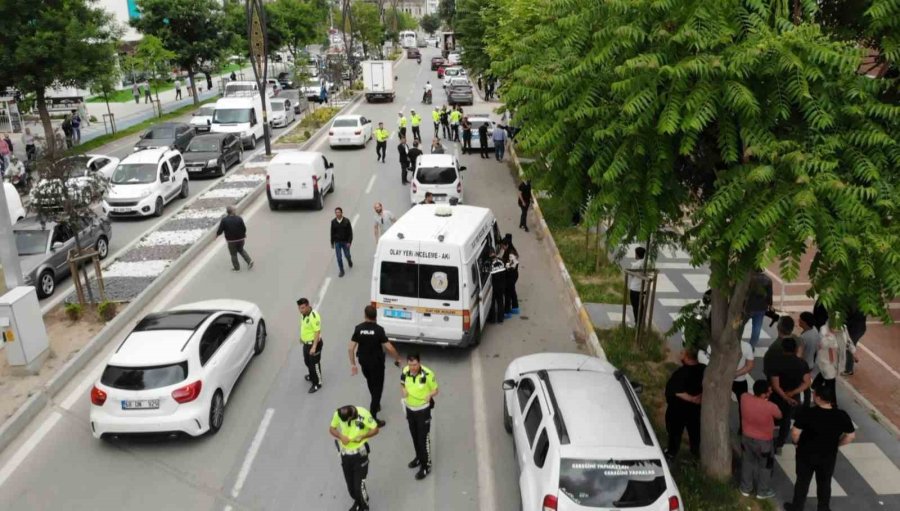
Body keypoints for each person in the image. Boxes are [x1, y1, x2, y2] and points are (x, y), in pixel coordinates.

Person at [784, 383, 855, 511]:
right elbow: (850, 436)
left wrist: (796, 443)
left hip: (806, 454)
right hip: (828, 456)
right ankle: (823, 508)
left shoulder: (807, 413)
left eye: (814, 394)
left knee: (802, 482)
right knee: (824, 483)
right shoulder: (841, 415)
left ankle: (797, 507)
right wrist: (837, 444)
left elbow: (795, 432)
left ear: (818, 398)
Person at [349, 306, 403, 427]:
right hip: (376, 364)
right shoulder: (379, 330)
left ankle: (376, 403)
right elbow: (389, 347)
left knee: (370, 382)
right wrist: (397, 358)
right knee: (378, 389)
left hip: (364, 363)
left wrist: (353, 364)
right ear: (376, 316)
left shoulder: (359, 328)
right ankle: (372, 417)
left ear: (365, 315)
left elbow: (350, 348)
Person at [329, 405, 380, 511]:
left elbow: (375, 429)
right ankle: (358, 501)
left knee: (358, 486)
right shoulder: (338, 414)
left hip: (360, 455)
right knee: (351, 488)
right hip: (345, 455)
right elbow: (332, 429)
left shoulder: (363, 413)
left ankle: (364, 507)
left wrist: (363, 436)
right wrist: (340, 436)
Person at [739, 380, 782, 500]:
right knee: (765, 467)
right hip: (764, 443)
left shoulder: (744, 397)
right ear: (765, 394)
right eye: (769, 390)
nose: (771, 391)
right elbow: (779, 415)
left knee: (747, 462)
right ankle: (762, 491)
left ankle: (745, 488)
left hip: (746, 438)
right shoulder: (770, 407)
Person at [769, 337, 811, 452]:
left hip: (777, 396)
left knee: (770, 417)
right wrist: (792, 393)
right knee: (786, 420)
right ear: (795, 349)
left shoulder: (776, 362)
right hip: (793, 397)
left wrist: (785, 397)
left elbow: (775, 385)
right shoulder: (802, 363)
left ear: (783, 348)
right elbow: (807, 382)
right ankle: (780, 445)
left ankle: (766, 439)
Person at [401, 354, 439, 480]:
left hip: (423, 411)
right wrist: (403, 390)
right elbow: (402, 382)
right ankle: (418, 457)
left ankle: (426, 466)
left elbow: (436, 390)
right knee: (414, 436)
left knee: (423, 439)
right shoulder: (405, 371)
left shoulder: (428, 374)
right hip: (409, 409)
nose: (412, 367)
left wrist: (430, 394)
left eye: (415, 364)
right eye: (410, 364)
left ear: (419, 363)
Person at [664, 347, 705, 460]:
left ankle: (671, 453)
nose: (680, 353)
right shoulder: (704, 369)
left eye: (682, 352)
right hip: (696, 410)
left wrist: (691, 398)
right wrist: (699, 397)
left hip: (678, 410)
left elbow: (675, 391)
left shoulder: (680, 373)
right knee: (695, 433)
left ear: (687, 357)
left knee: (675, 433)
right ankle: (695, 454)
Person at [215, 206, 254, 272]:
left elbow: (220, 230)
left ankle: (237, 268)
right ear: (233, 211)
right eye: (234, 210)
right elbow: (244, 228)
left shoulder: (224, 220)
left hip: (231, 241)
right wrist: (243, 234)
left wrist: (217, 235)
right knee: (241, 250)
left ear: (227, 212)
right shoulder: (239, 218)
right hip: (241, 239)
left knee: (233, 254)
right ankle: (249, 261)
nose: (235, 211)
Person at [297, 297, 324, 393]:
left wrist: (314, 347)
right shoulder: (303, 315)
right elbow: (305, 327)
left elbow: (317, 332)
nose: (301, 310)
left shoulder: (314, 316)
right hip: (306, 344)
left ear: (308, 306)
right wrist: (302, 338)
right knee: (307, 362)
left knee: (315, 365)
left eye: (303, 308)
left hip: (314, 344)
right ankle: (312, 375)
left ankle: (317, 383)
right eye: (300, 308)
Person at [743, 269, 773, 349]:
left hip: (748, 306)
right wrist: (770, 305)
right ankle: (752, 346)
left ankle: (736, 341)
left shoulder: (749, 279)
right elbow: (769, 295)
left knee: (740, 325)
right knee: (757, 328)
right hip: (761, 307)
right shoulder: (768, 280)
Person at [797, 312, 820, 408]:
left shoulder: (803, 338)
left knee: (798, 385)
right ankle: (806, 403)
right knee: (807, 385)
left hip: (803, 364)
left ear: (805, 323)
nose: (798, 321)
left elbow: (799, 354)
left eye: (800, 320)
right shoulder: (814, 330)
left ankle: (797, 404)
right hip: (811, 363)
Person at [331, 207, 353, 278]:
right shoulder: (333, 222)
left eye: (338, 212)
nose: (337, 214)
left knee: (347, 255)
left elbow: (350, 233)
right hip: (337, 242)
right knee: (339, 258)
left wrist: (349, 242)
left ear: (341, 213)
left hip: (345, 242)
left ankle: (349, 260)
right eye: (336, 212)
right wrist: (332, 243)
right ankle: (341, 270)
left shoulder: (346, 221)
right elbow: (332, 233)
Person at [500, 234, 520, 315]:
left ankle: (507, 311)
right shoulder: (509, 250)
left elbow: (511, 266)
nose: (502, 248)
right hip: (512, 275)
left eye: (503, 246)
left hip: (511, 275)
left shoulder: (511, 254)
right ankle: (515, 307)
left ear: (507, 245)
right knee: (512, 291)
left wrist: (504, 265)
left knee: (507, 292)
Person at [843, 305, 866, 375]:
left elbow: (847, 321)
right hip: (860, 329)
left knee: (849, 347)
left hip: (854, 330)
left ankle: (848, 369)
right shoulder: (860, 305)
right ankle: (853, 357)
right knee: (851, 345)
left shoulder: (850, 309)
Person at [628, 247, 647, 323]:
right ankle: (641, 323)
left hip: (635, 289)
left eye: (635, 253)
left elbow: (632, 275)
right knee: (641, 306)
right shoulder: (647, 263)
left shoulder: (636, 265)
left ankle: (637, 323)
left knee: (635, 307)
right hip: (643, 289)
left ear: (637, 255)